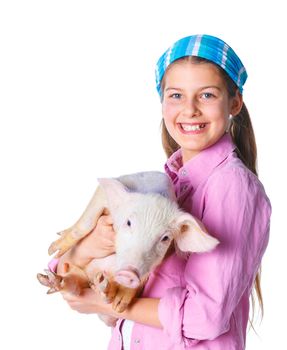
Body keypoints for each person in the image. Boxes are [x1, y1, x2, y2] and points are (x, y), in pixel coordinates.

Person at [56, 34, 272, 349]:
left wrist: (103, 303)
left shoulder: (231, 186)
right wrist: (88, 247)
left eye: (207, 95)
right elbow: (67, 270)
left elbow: (205, 317)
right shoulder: (164, 186)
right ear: (162, 101)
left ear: (234, 103)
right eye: (176, 96)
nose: (190, 110)